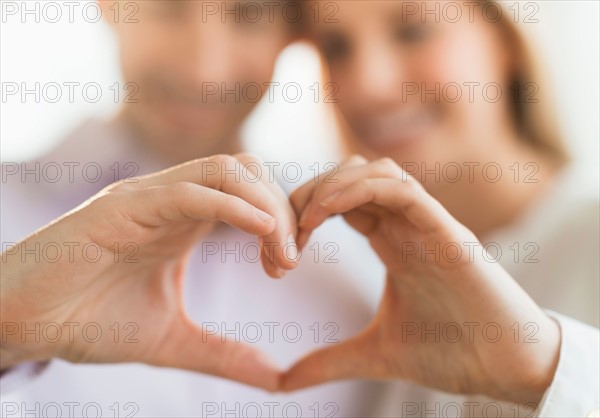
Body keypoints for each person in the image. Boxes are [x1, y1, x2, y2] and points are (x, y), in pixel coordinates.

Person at [1, 1, 385, 416]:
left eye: (248, 14)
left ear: (294, 32)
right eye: (169, 7)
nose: (204, 70)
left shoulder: (359, 291)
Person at [282, 1, 599, 416]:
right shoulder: (350, 275)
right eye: (336, 48)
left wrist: (544, 370)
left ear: (506, 40)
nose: (368, 84)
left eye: (413, 31)